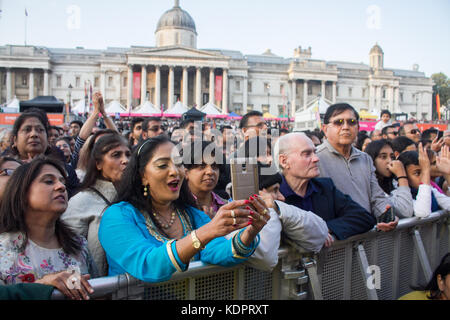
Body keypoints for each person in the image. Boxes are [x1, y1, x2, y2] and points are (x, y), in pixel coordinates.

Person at [98, 135, 268, 283]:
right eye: (163, 165)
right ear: (143, 176)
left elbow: (218, 252)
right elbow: (148, 266)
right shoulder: (117, 216)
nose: (175, 172)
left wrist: (250, 231)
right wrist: (205, 232)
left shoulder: (190, 214)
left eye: (178, 164)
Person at [0, 158, 97, 300]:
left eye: (63, 182)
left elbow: (98, 290)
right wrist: (42, 286)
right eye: (49, 181)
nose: (61, 187)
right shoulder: (3, 249)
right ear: (22, 191)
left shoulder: (79, 244)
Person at [273, 132, 376, 245]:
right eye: (307, 154)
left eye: (315, 152)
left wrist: (323, 229)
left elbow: (364, 218)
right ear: (284, 161)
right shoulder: (273, 194)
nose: (316, 158)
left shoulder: (325, 187)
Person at [317, 103, 405, 231]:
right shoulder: (314, 159)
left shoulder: (365, 159)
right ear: (325, 129)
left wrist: (388, 215)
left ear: (358, 127)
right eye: (338, 122)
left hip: (366, 236)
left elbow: (377, 197)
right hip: (335, 239)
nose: (346, 127)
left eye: (351, 122)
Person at [237, 164, 328, 271]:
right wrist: (267, 210)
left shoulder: (277, 210)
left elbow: (320, 234)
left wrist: (276, 207)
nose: (282, 197)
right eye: (275, 190)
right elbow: (266, 259)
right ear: (257, 195)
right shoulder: (236, 221)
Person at [5, 108, 80, 198]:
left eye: (40, 130)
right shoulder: (4, 170)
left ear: (48, 140)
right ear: (15, 140)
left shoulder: (66, 171)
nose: (34, 134)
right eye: (27, 129)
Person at [364, 139, 414, 218]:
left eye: (392, 157)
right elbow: (405, 211)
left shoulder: (393, 182)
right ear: (372, 160)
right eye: (383, 157)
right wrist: (402, 175)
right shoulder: (369, 186)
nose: (390, 161)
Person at [397, 145, 450, 218]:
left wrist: (448, 174)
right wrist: (425, 171)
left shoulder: (431, 190)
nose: (424, 177)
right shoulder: (401, 196)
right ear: (405, 175)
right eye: (417, 173)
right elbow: (423, 213)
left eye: (425, 172)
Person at [183, 141, 227, 219]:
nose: (210, 172)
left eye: (214, 166)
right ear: (186, 173)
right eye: (202, 166)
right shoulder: (178, 209)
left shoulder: (226, 206)